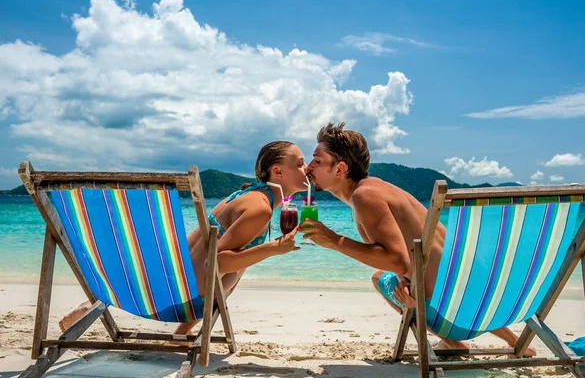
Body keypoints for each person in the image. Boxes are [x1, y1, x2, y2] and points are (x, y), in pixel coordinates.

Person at [299, 122, 535, 355]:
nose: (309, 167)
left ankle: (453, 343)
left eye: (317, 161)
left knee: (379, 277)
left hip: (451, 316)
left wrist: (334, 240)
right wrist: (404, 278)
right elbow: (416, 253)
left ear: (340, 169)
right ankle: (514, 340)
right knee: (413, 278)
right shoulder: (380, 188)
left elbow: (397, 259)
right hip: (489, 303)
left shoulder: (364, 196)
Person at [59, 141, 308, 334]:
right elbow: (216, 264)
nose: (306, 168)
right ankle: (183, 330)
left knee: (236, 258)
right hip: (187, 298)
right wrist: (275, 248)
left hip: (157, 283)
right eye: (299, 163)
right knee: (236, 265)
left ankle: (178, 332)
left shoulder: (246, 194)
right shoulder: (260, 208)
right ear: (277, 171)